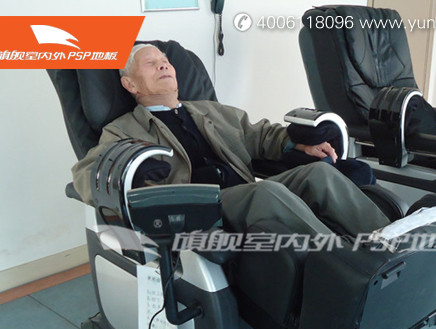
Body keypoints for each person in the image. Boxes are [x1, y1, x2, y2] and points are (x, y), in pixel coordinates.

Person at [72, 44, 390, 237]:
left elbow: (260, 135)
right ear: (130, 84)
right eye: (150, 63)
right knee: (266, 191)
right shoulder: (123, 128)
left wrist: (298, 143)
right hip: (200, 209)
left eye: (165, 60)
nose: (164, 65)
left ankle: (388, 241)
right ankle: (345, 261)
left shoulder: (211, 111)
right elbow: (87, 173)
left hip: (245, 193)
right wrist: (131, 172)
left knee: (319, 172)